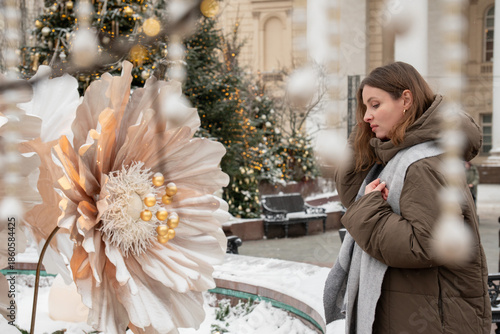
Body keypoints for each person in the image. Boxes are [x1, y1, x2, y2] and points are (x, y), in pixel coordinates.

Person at [323, 62, 491, 333]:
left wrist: (369, 211)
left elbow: (427, 244)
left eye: (375, 105)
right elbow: (351, 193)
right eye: (365, 108)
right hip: (413, 310)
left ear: (406, 100)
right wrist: (365, 136)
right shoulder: (397, 154)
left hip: (434, 321)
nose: (366, 116)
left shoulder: (423, 163)